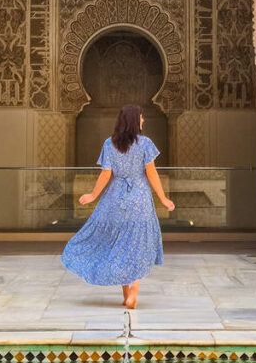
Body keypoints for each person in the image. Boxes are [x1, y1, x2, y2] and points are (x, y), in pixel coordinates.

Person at [61, 104, 175, 309]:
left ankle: (126, 294)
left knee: (119, 243)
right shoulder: (145, 143)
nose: (143, 120)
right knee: (139, 244)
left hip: (115, 198)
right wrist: (163, 198)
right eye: (141, 117)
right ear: (134, 121)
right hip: (139, 198)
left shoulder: (109, 143)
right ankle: (134, 292)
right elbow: (151, 173)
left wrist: (92, 196)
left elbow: (106, 174)